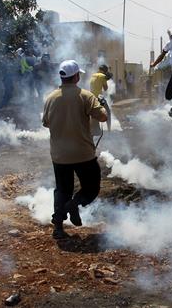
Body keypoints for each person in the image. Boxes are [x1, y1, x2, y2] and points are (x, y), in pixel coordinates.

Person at [42, 60, 108, 239]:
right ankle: (74, 204)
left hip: (59, 155)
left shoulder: (50, 98)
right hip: (83, 154)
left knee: (62, 190)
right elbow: (102, 117)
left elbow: (46, 123)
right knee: (91, 188)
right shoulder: (86, 96)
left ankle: (58, 226)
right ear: (77, 76)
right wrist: (101, 104)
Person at [89, 64, 112, 132]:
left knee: (94, 115)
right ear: (104, 71)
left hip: (91, 98)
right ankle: (109, 130)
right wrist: (106, 79)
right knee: (108, 112)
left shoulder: (93, 75)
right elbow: (105, 89)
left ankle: (95, 130)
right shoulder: (103, 76)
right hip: (99, 98)